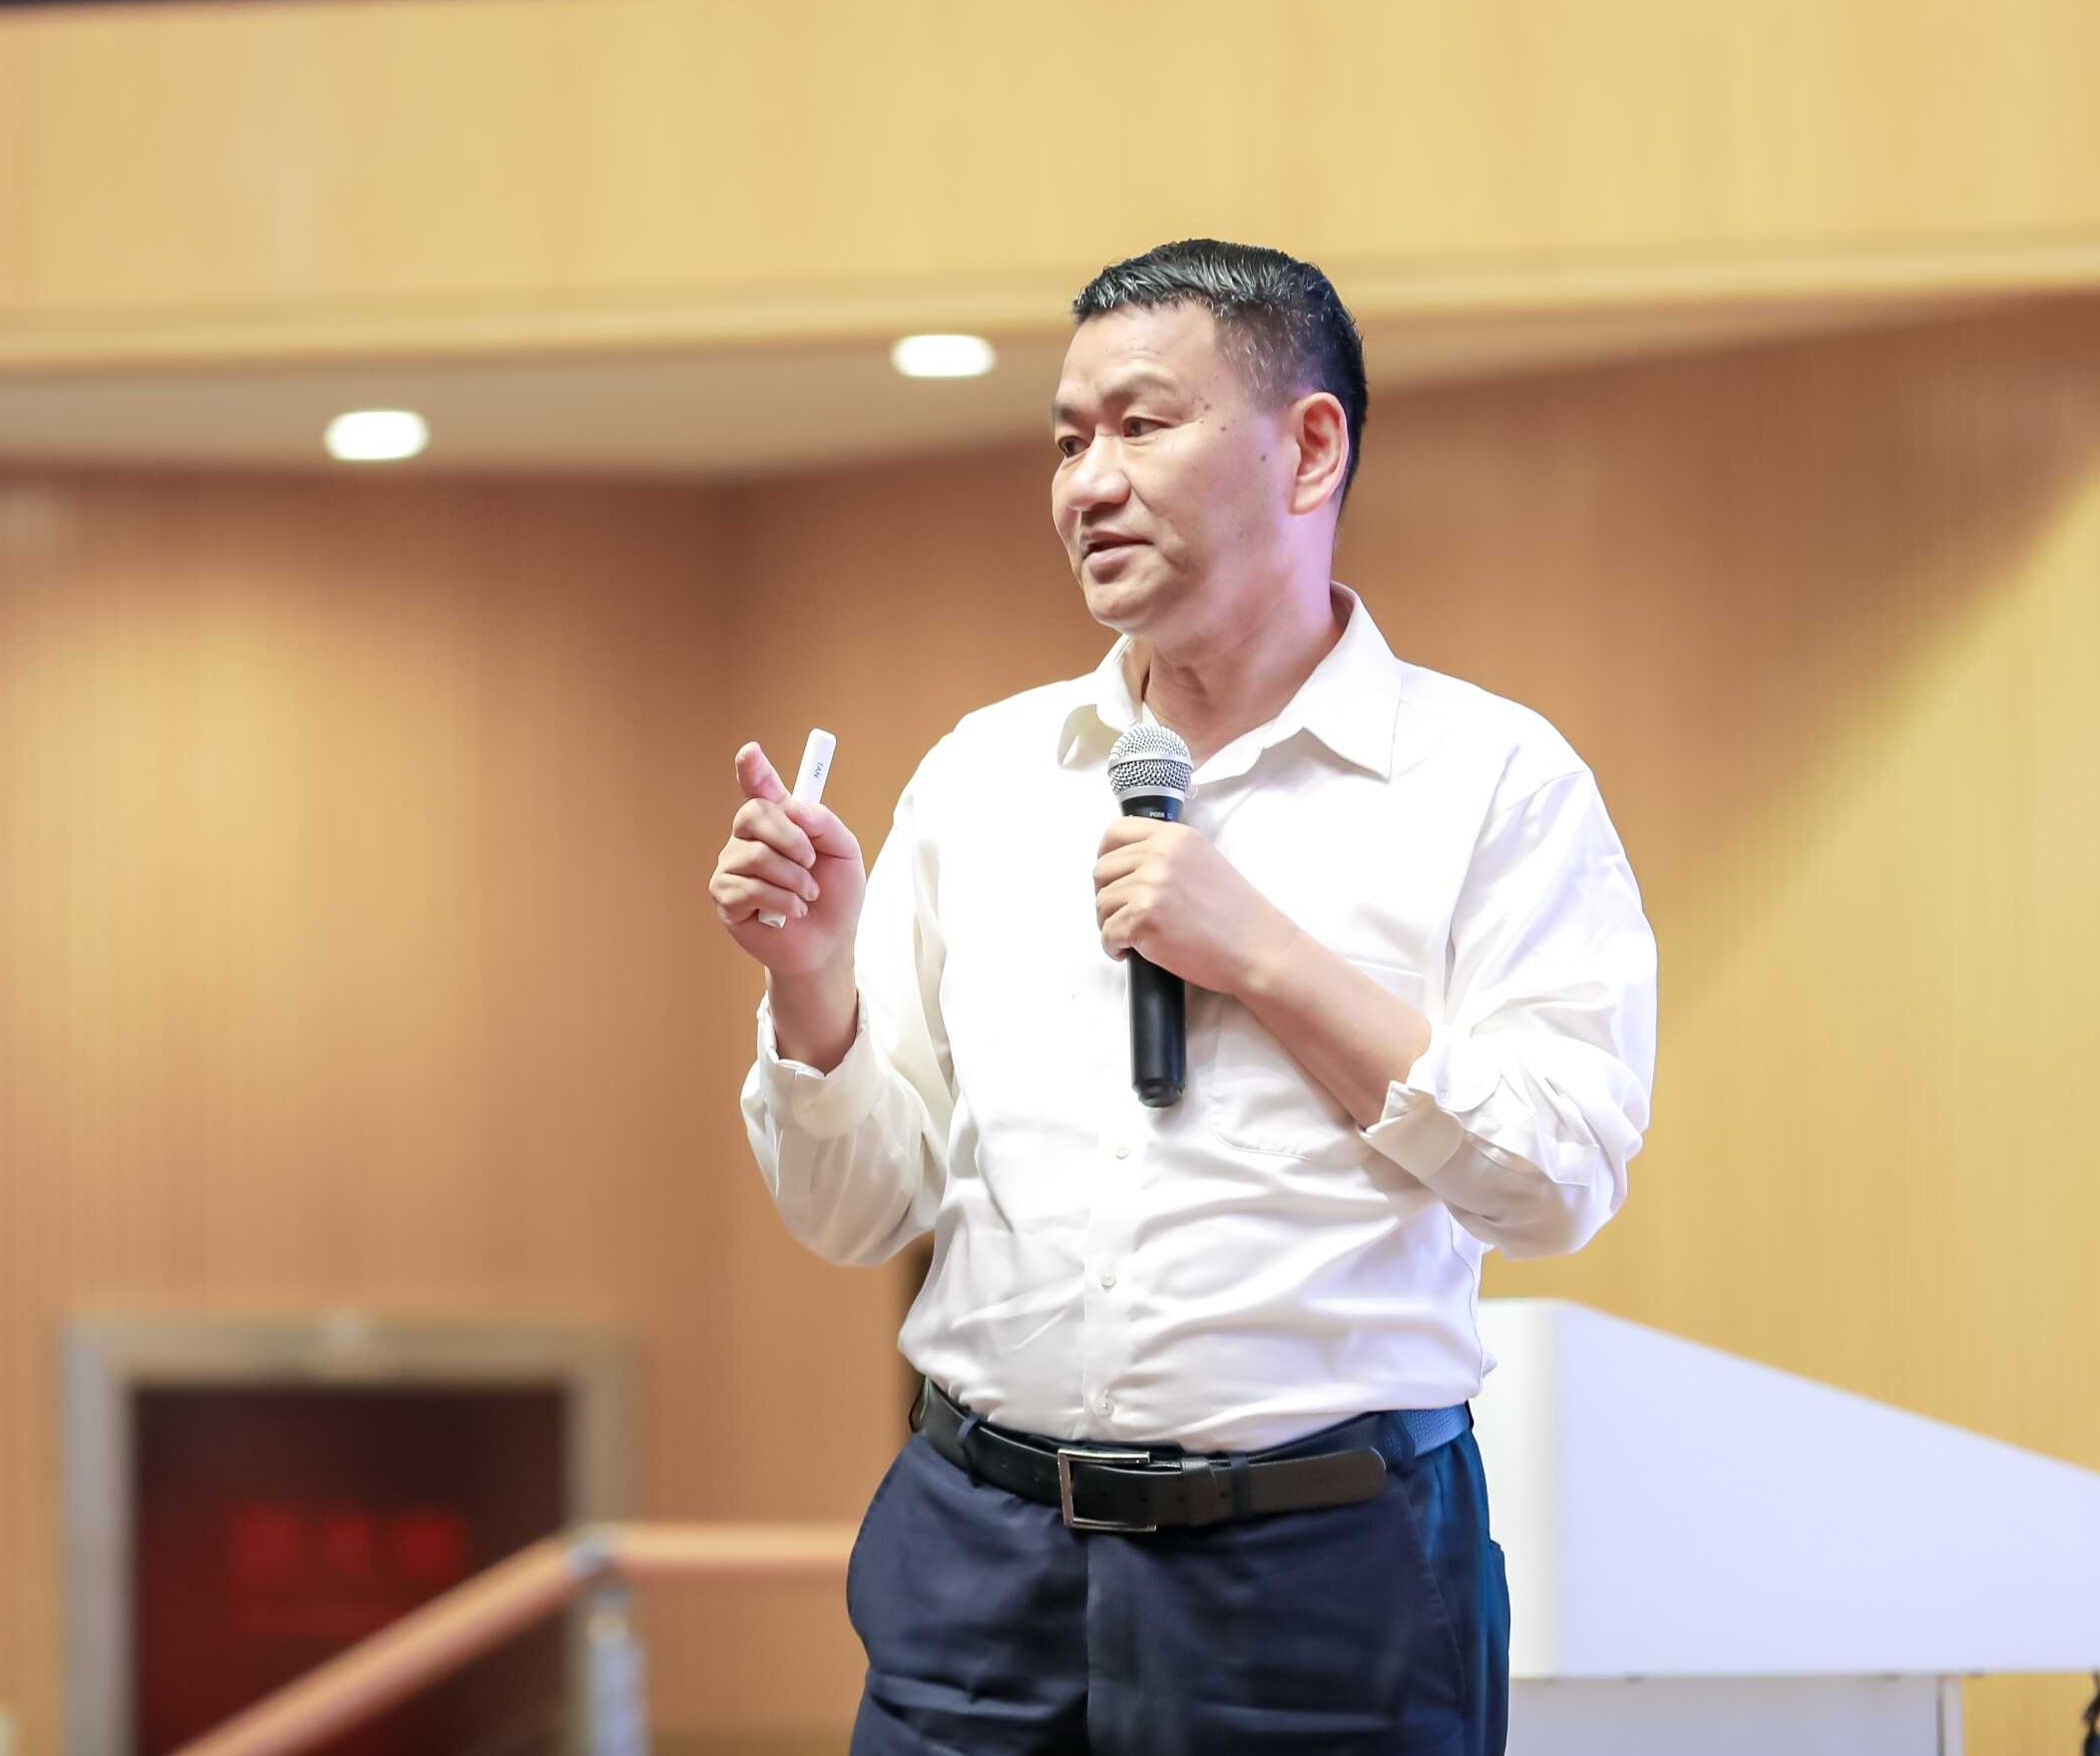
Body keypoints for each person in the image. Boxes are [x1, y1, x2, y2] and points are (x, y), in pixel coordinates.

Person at [705, 238, 1658, 1754]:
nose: (1088, 483)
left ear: (1310, 448)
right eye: (1067, 441)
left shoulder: (1491, 781)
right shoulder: (987, 774)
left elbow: (1560, 1177)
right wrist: (813, 981)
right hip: (979, 1556)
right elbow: (859, 1211)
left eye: (1141, 426)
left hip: (1324, 1573)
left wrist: (1267, 957)